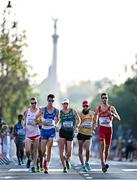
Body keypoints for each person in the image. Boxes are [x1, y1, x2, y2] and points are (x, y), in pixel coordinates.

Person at [94, 93, 121, 172]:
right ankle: (102, 164)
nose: (104, 99)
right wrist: (95, 123)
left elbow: (119, 118)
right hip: (102, 128)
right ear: (101, 99)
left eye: (106, 98)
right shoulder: (99, 108)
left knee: (107, 148)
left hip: (109, 129)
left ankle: (104, 164)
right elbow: (95, 116)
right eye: (103, 98)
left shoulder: (111, 108)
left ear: (107, 99)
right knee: (102, 144)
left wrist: (112, 114)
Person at [35, 94, 59, 174]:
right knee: (42, 151)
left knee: (49, 148)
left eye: (52, 101)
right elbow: (36, 119)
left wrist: (55, 125)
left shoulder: (56, 111)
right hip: (44, 131)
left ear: (53, 101)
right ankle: (45, 160)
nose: (51, 102)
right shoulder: (43, 110)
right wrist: (41, 123)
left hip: (51, 131)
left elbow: (58, 119)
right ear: (47, 100)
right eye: (49, 100)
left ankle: (47, 166)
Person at [58, 98, 81, 173]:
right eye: (64, 104)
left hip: (70, 132)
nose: (65, 105)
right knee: (61, 150)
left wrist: (76, 127)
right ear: (62, 104)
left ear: (68, 104)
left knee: (69, 151)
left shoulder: (72, 111)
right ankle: (64, 166)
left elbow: (79, 120)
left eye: (66, 104)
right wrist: (56, 126)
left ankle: (67, 159)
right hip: (62, 132)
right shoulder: (60, 112)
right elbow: (57, 121)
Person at [77, 100, 96, 171]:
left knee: (88, 150)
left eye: (86, 106)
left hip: (88, 134)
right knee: (80, 150)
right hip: (81, 133)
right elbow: (77, 123)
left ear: (89, 107)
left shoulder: (92, 113)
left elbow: (96, 120)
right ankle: (82, 164)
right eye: (84, 106)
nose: (85, 107)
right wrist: (79, 125)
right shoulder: (80, 114)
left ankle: (87, 162)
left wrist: (94, 127)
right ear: (82, 106)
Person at [24, 97, 40, 172]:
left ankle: (34, 166)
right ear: (30, 103)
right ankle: (29, 159)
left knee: (35, 151)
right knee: (27, 151)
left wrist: (36, 122)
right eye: (32, 103)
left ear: (37, 103)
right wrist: (25, 126)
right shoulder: (27, 111)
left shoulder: (39, 111)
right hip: (28, 134)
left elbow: (41, 122)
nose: (34, 104)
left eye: (35, 103)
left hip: (36, 134)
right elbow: (25, 122)